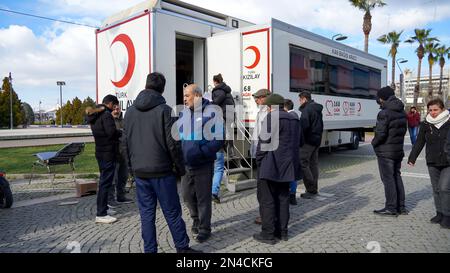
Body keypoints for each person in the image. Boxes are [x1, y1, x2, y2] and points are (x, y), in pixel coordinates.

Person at [124, 73, 200, 253]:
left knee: (146, 214)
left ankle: (150, 250)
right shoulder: (165, 110)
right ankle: (182, 248)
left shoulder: (130, 112)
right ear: (162, 88)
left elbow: (124, 145)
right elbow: (173, 144)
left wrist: (131, 169)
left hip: (141, 172)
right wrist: (180, 168)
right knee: (172, 212)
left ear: (146, 85)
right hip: (162, 171)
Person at [253, 94, 301, 245]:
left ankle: (268, 234)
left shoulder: (272, 117)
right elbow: (300, 141)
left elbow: (263, 143)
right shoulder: (294, 118)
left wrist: (259, 160)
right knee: (283, 199)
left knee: (267, 200)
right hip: (288, 166)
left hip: (270, 165)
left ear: (271, 107)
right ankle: (283, 232)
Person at [179, 84, 224, 243]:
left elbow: (219, 138)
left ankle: (205, 228)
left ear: (197, 95)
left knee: (203, 197)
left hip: (203, 163)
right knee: (186, 195)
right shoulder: (184, 113)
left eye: (187, 95)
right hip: (185, 164)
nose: (184, 99)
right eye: (184, 96)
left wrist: (201, 152)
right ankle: (195, 218)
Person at [408, 98, 450, 229]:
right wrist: (412, 157)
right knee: (436, 189)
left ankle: (448, 216)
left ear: (442, 109)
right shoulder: (426, 124)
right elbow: (420, 141)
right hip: (432, 161)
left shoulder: (449, 121)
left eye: (435, 110)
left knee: (444, 188)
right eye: (430, 110)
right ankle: (440, 213)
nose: (432, 112)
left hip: (448, 161)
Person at [371, 86, 407, 217]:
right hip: (397, 150)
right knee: (397, 176)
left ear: (382, 98)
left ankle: (391, 207)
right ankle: (401, 207)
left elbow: (380, 134)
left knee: (388, 179)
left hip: (386, 151)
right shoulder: (402, 111)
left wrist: (373, 143)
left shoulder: (384, 113)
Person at [86, 95, 122, 224]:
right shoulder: (106, 115)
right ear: (110, 104)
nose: (115, 108)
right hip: (108, 152)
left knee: (104, 181)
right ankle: (101, 213)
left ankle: (105, 208)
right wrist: (120, 132)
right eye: (115, 105)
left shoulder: (95, 115)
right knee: (105, 183)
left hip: (100, 151)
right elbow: (111, 133)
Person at [211, 74, 235, 204]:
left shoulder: (218, 91)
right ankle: (214, 191)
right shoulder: (228, 92)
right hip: (228, 122)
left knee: (215, 166)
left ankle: (211, 191)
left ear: (215, 82)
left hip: (218, 129)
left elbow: (215, 102)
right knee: (219, 166)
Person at [298, 91, 323, 199]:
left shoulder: (307, 109)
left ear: (304, 99)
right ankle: (314, 188)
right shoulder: (316, 108)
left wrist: (299, 141)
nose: (299, 102)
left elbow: (303, 127)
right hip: (316, 140)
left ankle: (311, 188)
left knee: (302, 163)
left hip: (308, 141)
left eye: (300, 100)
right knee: (313, 164)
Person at [251, 89, 271, 225]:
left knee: (265, 189)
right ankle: (264, 214)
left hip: (265, 155)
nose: (256, 101)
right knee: (262, 189)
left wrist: (260, 153)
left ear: (264, 98)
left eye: (257, 99)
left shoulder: (269, 112)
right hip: (260, 154)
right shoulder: (260, 112)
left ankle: (267, 217)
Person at [108, 104, 133, 206]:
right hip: (114, 154)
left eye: (117, 108)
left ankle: (121, 196)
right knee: (113, 179)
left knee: (123, 177)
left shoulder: (124, 121)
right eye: (114, 109)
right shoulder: (109, 122)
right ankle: (111, 199)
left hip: (124, 154)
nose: (116, 110)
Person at [284, 99, 302, 206]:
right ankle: (293, 195)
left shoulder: (288, 118)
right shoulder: (297, 117)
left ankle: (288, 195)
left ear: (285, 107)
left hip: (288, 149)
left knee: (288, 173)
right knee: (293, 174)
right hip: (295, 149)